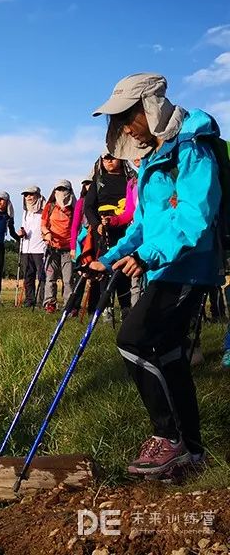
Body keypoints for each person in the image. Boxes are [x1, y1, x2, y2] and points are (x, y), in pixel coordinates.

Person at [89, 72, 222, 476]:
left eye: (128, 116)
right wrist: (108, 259)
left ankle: (167, 437)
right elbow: (142, 226)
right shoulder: (154, 159)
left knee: (133, 339)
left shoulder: (192, 147)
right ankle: (193, 454)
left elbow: (196, 213)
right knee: (168, 355)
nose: (125, 127)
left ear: (150, 108)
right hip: (164, 265)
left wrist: (148, 257)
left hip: (187, 268)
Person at [84, 151, 136, 322]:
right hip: (103, 230)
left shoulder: (130, 180)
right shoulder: (98, 182)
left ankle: (126, 306)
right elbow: (89, 207)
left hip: (126, 229)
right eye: (105, 159)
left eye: (112, 157)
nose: (108, 161)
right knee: (104, 268)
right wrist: (97, 224)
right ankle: (106, 307)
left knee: (124, 267)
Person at [40, 180, 75, 313]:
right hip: (52, 247)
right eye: (58, 190)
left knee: (68, 279)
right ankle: (50, 303)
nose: (61, 193)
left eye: (64, 190)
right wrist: (47, 233)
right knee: (50, 278)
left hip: (68, 249)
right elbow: (43, 225)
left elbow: (76, 227)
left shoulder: (73, 208)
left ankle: (69, 305)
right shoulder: (49, 207)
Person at [17, 186, 46, 307]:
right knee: (28, 276)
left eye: (31, 194)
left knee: (42, 276)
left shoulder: (44, 210)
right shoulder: (25, 212)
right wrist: (21, 233)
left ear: (38, 195)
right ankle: (29, 300)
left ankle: (41, 301)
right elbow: (25, 228)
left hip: (40, 248)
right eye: (26, 195)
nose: (28, 197)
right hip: (26, 248)